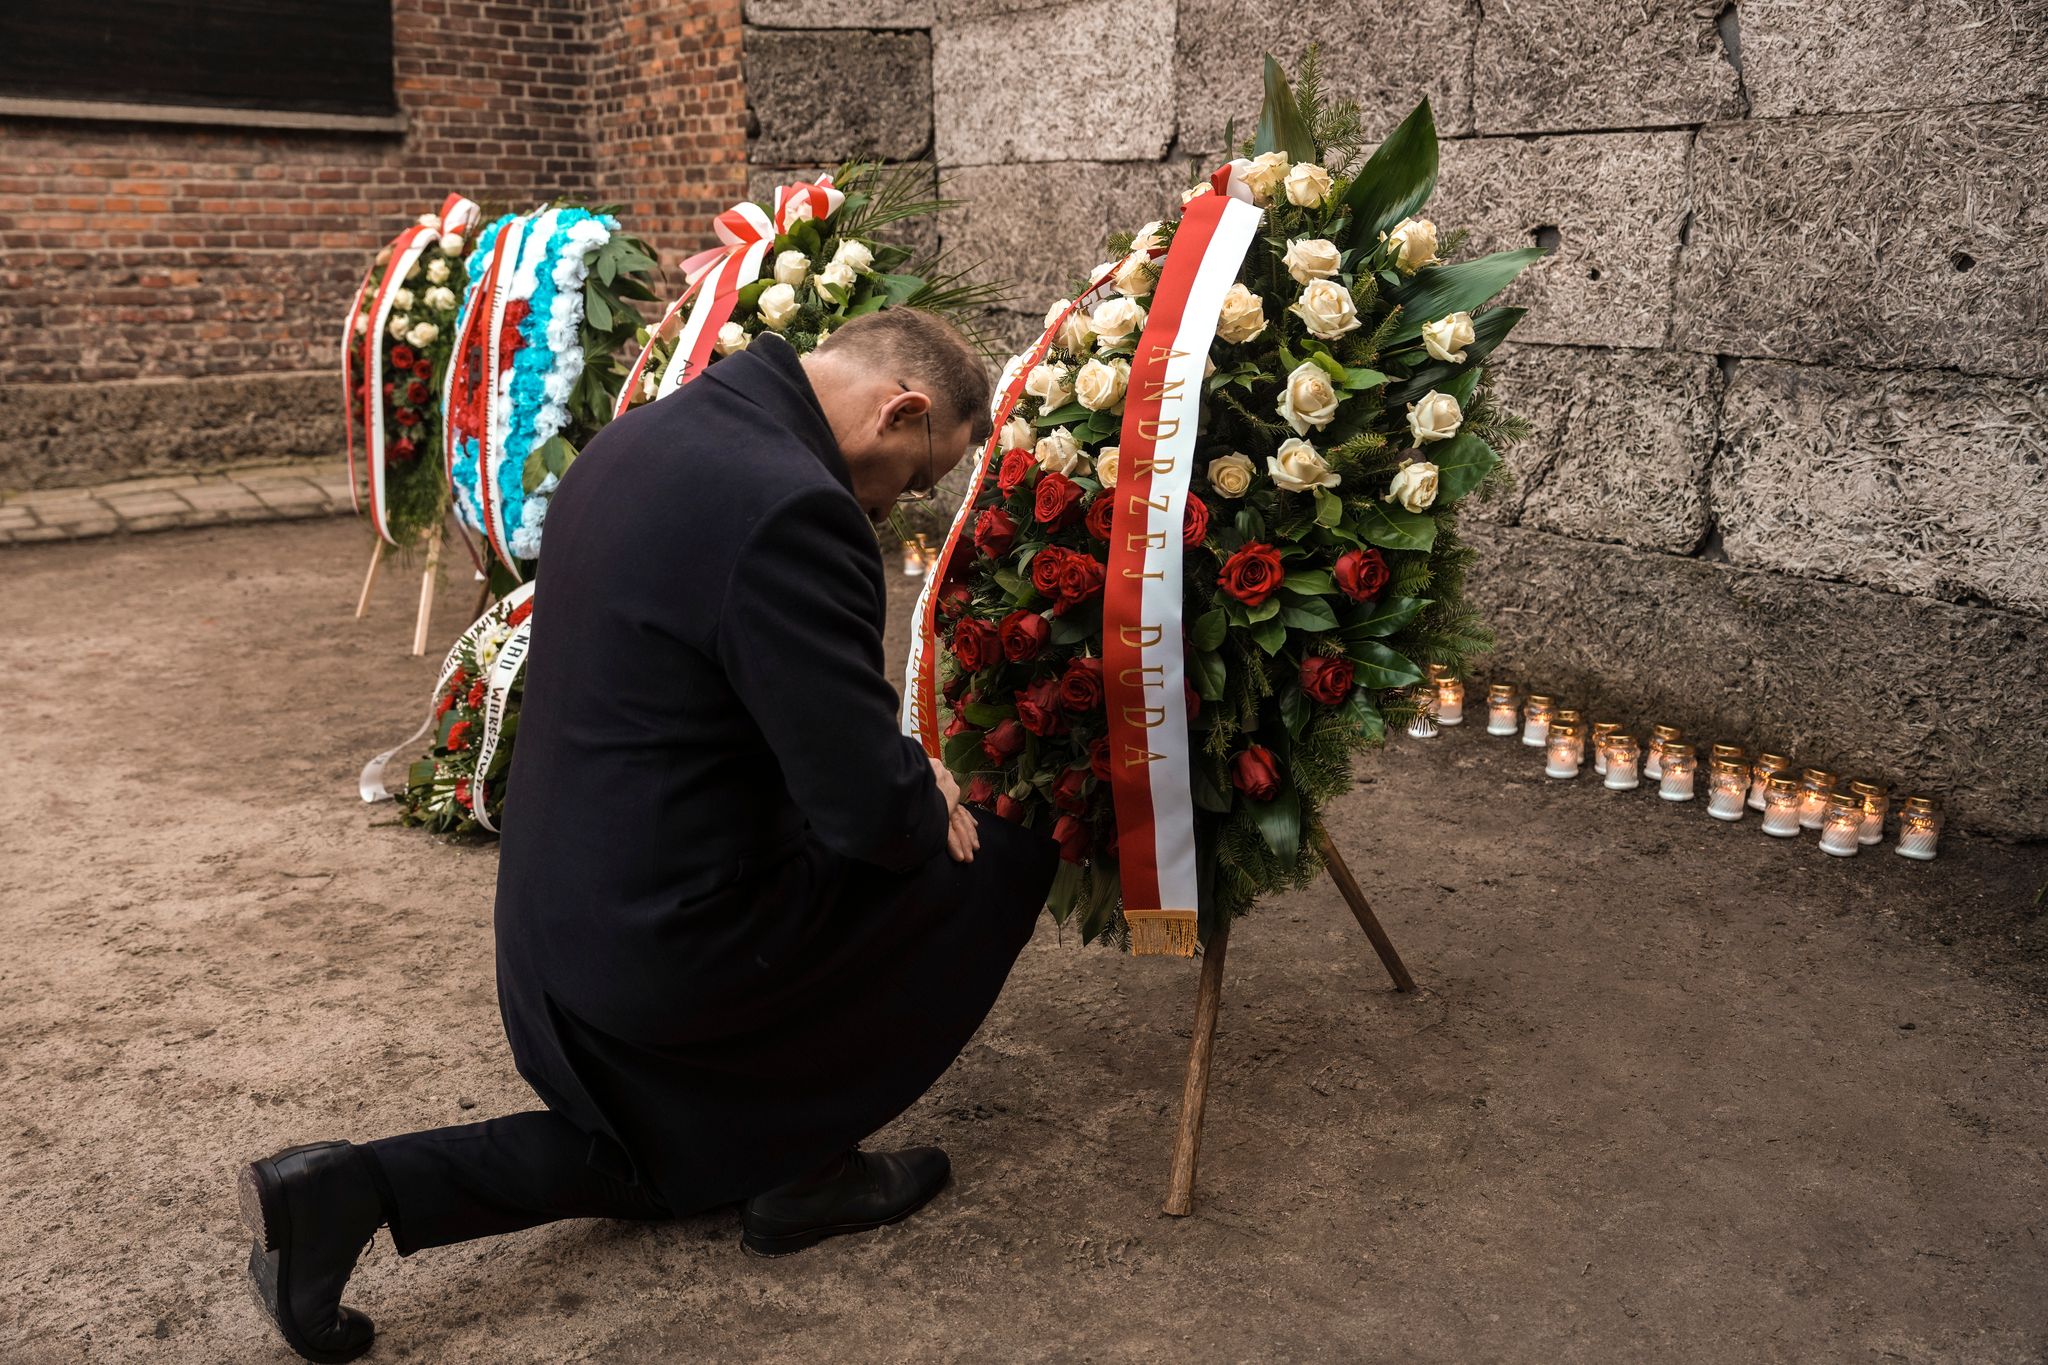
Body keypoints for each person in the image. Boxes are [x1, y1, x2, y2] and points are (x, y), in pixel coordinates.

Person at [238, 310, 1059, 1363]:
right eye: (912, 473)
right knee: (989, 860)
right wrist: (925, 784)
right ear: (899, 408)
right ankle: (801, 1156)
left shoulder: (647, 434)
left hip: (556, 929)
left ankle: (350, 1191)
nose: (896, 503)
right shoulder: (795, 507)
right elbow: (860, 808)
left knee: (658, 1158)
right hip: (668, 955)